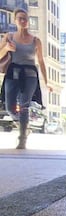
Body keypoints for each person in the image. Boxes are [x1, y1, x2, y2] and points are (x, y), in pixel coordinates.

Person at [0, 8, 52, 149]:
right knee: (10, 107)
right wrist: (6, 49)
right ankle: (25, 125)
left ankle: (22, 139)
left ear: (28, 21)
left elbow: (41, 61)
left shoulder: (36, 40)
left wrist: (46, 82)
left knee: (24, 106)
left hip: (30, 75)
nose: (23, 21)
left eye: (25, 18)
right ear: (15, 20)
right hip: (12, 74)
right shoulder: (9, 37)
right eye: (20, 18)